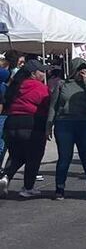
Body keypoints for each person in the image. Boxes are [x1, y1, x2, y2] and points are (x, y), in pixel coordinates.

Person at [47, 57, 86, 200]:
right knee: (64, 156)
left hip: (85, 123)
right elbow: (53, 106)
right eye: (80, 69)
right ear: (74, 70)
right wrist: (49, 125)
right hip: (64, 123)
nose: (83, 72)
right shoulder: (62, 85)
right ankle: (60, 188)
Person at [0, 60, 50, 198]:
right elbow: (47, 104)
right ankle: (28, 187)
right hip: (32, 123)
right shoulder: (39, 87)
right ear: (33, 74)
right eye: (42, 71)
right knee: (34, 156)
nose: (44, 73)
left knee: (16, 155)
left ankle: (5, 177)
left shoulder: (15, 86)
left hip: (11, 124)